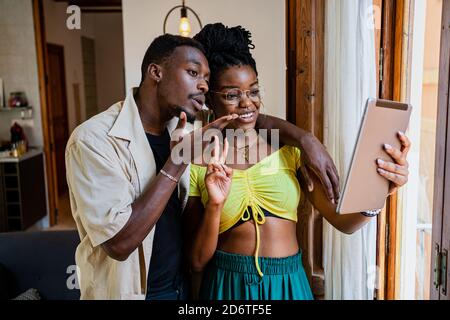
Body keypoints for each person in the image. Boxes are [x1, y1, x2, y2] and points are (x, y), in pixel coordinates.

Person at [65, 34, 342, 300]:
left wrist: (305, 139)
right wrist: (176, 164)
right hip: (135, 293)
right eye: (193, 73)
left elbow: (246, 114)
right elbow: (119, 244)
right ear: (156, 72)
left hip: (182, 289)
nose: (203, 86)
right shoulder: (93, 140)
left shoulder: (184, 126)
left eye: (207, 79)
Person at [184, 23, 411, 300]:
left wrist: (381, 189)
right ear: (210, 99)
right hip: (227, 286)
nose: (247, 104)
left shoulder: (287, 150)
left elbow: (343, 222)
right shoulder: (197, 161)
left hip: (289, 284)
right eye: (232, 95)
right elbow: (196, 261)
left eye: (253, 91)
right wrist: (216, 205)